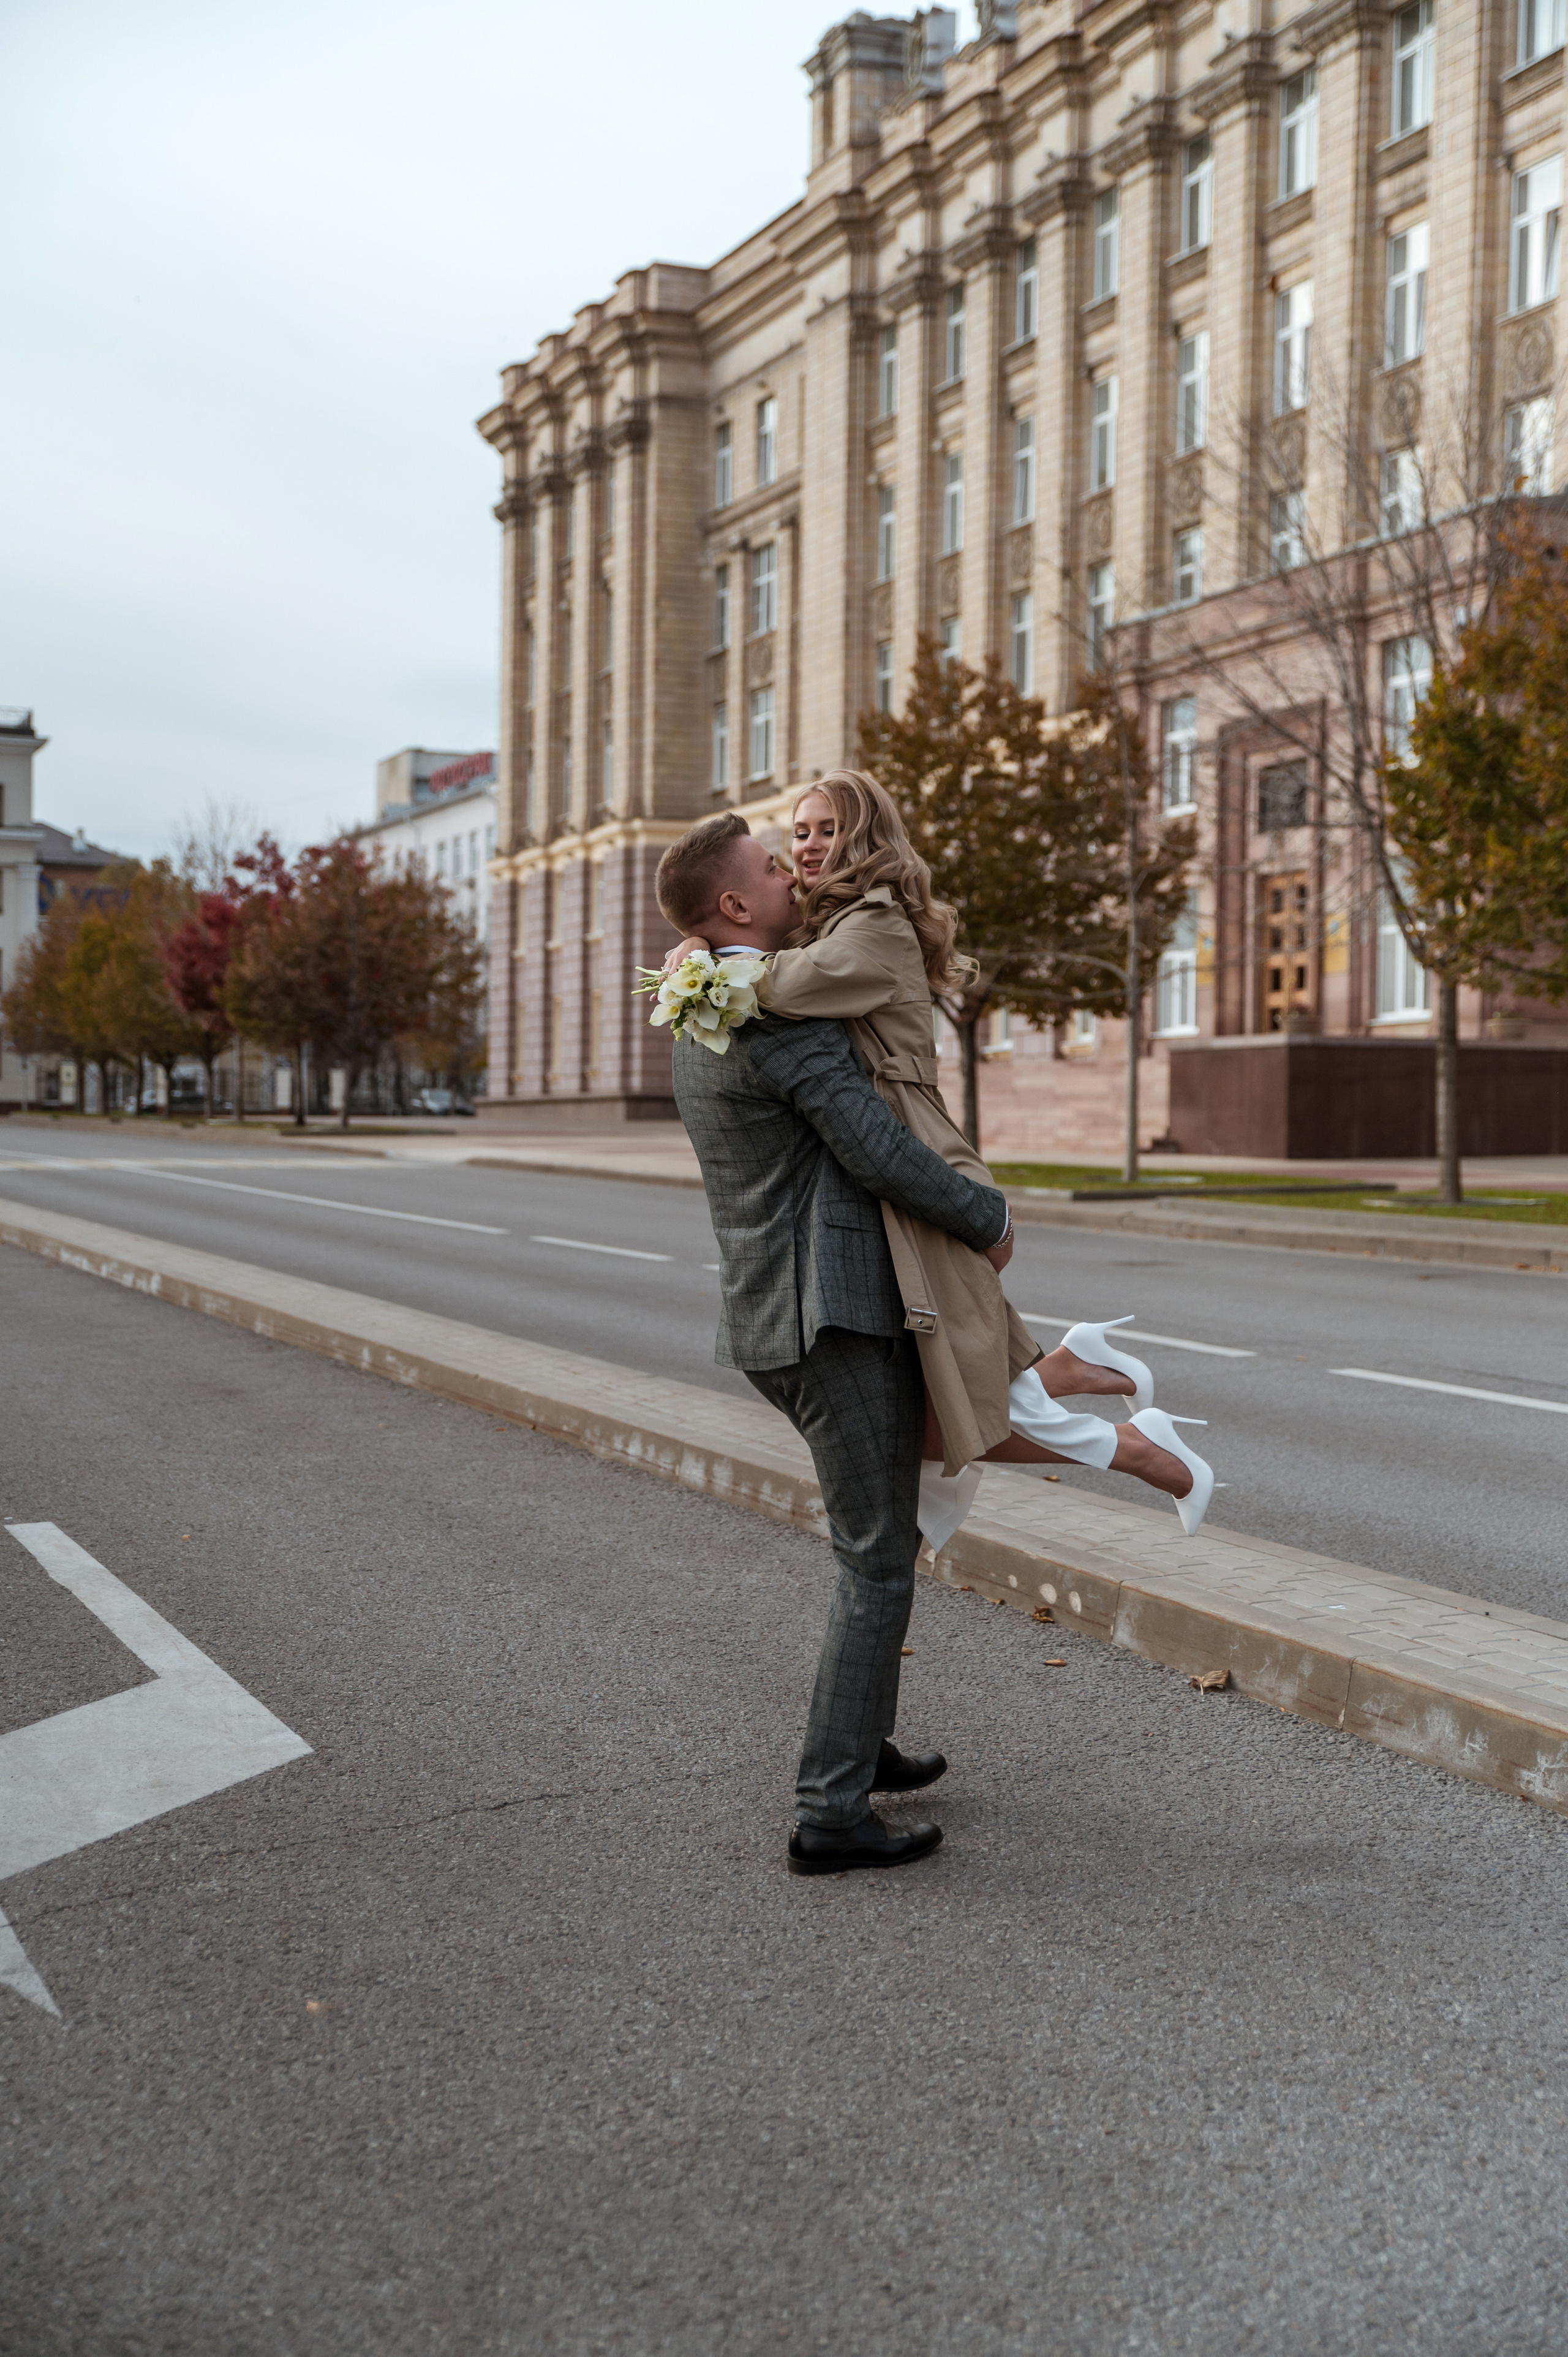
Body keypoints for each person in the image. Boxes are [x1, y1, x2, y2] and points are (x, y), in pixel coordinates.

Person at [662, 772, 1214, 1549]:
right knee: (935, 1409)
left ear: (866, 839)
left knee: (948, 1406)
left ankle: (1143, 1451)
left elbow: (788, 982)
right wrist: (705, 943)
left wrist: (703, 961)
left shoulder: (872, 925)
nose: (806, 848)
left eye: (828, 829)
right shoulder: (822, 922)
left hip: (925, 1157)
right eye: (799, 833)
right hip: (893, 1169)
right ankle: (1077, 1373)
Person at [656, 810, 1012, 1877]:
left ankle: (865, 1744)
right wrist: (984, 1219)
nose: (791, 874)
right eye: (773, 868)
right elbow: (871, 1148)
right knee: (875, 1556)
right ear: (734, 907)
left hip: (779, 1314)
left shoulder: (704, 1007)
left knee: (882, 1539)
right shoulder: (781, 1021)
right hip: (831, 1316)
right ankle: (831, 1807)